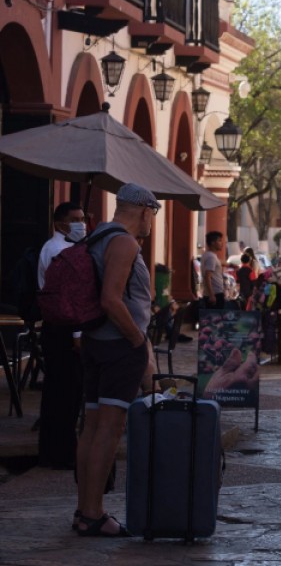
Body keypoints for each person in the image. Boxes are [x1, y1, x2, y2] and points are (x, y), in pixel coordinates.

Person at [75, 183, 160, 537]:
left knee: (92, 429)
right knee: (109, 430)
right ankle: (93, 513)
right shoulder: (124, 242)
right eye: (152, 214)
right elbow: (112, 299)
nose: (151, 222)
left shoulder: (97, 237)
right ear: (143, 211)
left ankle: (84, 510)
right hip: (118, 347)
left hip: (96, 343)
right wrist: (138, 341)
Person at [36, 201, 86, 470]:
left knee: (62, 393)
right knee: (64, 393)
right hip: (63, 328)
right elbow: (70, 298)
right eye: (75, 219)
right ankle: (60, 453)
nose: (81, 223)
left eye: (82, 218)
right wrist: (78, 333)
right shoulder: (59, 250)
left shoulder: (62, 248)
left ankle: (56, 450)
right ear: (60, 223)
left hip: (59, 326)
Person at [202, 231, 225, 308]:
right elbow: (207, 276)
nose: (222, 243)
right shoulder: (211, 257)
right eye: (219, 241)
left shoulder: (208, 255)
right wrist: (212, 295)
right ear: (212, 243)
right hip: (215, 294)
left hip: (214, 293)